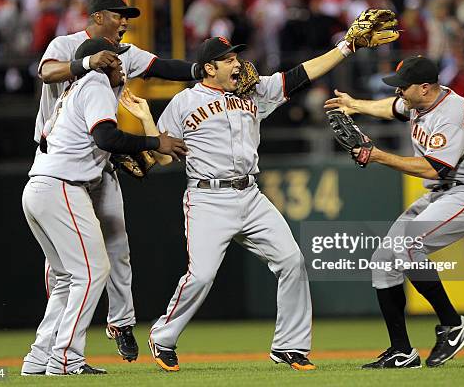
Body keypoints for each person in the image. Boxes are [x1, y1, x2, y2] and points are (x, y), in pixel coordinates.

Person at [146, 28, 397, 372]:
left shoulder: (253, 91)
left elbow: (301, 74)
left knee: (292, 261)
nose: (238, 64)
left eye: (237, 57)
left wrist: (346, 47)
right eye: (228, 60)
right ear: (208, 68)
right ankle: (163, 337)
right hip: (207, 198)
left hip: (250, 196)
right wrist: (148, 127)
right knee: (201, 275)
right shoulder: (183, 103)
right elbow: (161, 157)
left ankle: (289, 347)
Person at [26, 0, 201, 368]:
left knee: (114, 247)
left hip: (87, 164)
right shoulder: (73, 50)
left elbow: (163, 67)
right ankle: (62, 356)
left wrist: (201, 70)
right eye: (120, 16)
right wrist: (87, 62)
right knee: (77, 272)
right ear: (99, 16)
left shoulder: (123, 55)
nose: (126, 22)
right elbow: (45, 72)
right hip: (61, 164)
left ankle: (100, 331)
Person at [324, 55, 464, 369]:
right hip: (441, 195)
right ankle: (402, 351)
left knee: (407, 244)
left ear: (425, 88)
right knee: (383, 262)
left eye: (404, 86)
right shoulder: (421, 102)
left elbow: (433, 169)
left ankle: (453, 324)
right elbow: (391, 107)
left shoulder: (451, 113)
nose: (399, 91)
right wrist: (355, 105)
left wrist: (378, 156)